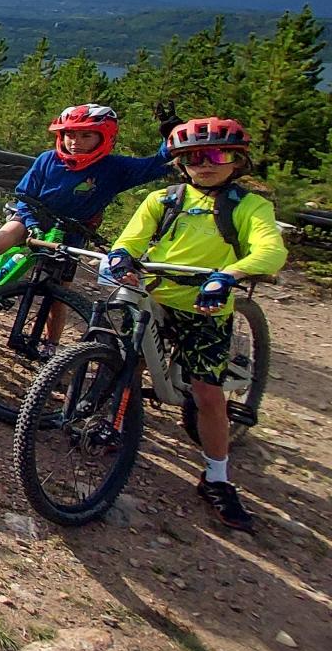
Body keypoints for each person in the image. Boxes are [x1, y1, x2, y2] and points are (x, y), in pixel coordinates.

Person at [104, 117, 286, 533]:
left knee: (207, 392)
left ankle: (217, 476)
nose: (206, 165)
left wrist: (230, 275)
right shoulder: (163, 200)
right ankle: (114, 424)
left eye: (217, 155)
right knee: (120, 359)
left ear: (237, 161)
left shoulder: (249, 206)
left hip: (206, 305)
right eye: (194, 158)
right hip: (157, 293)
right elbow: (130, 240)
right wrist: (119, 256)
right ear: (180, 163)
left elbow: (269, 252)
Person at [0, 103, 175, 351]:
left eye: (85, 135)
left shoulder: (114, 168)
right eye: (69, 134)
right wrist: (31, 223)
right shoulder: (48, 160)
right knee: (2, 240)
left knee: (59, 292)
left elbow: (155, 166)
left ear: (105, 137)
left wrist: (170, 136)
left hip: (73, 229)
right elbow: (23, 195)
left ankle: (51, 345)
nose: (74, 141)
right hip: (32, 216)